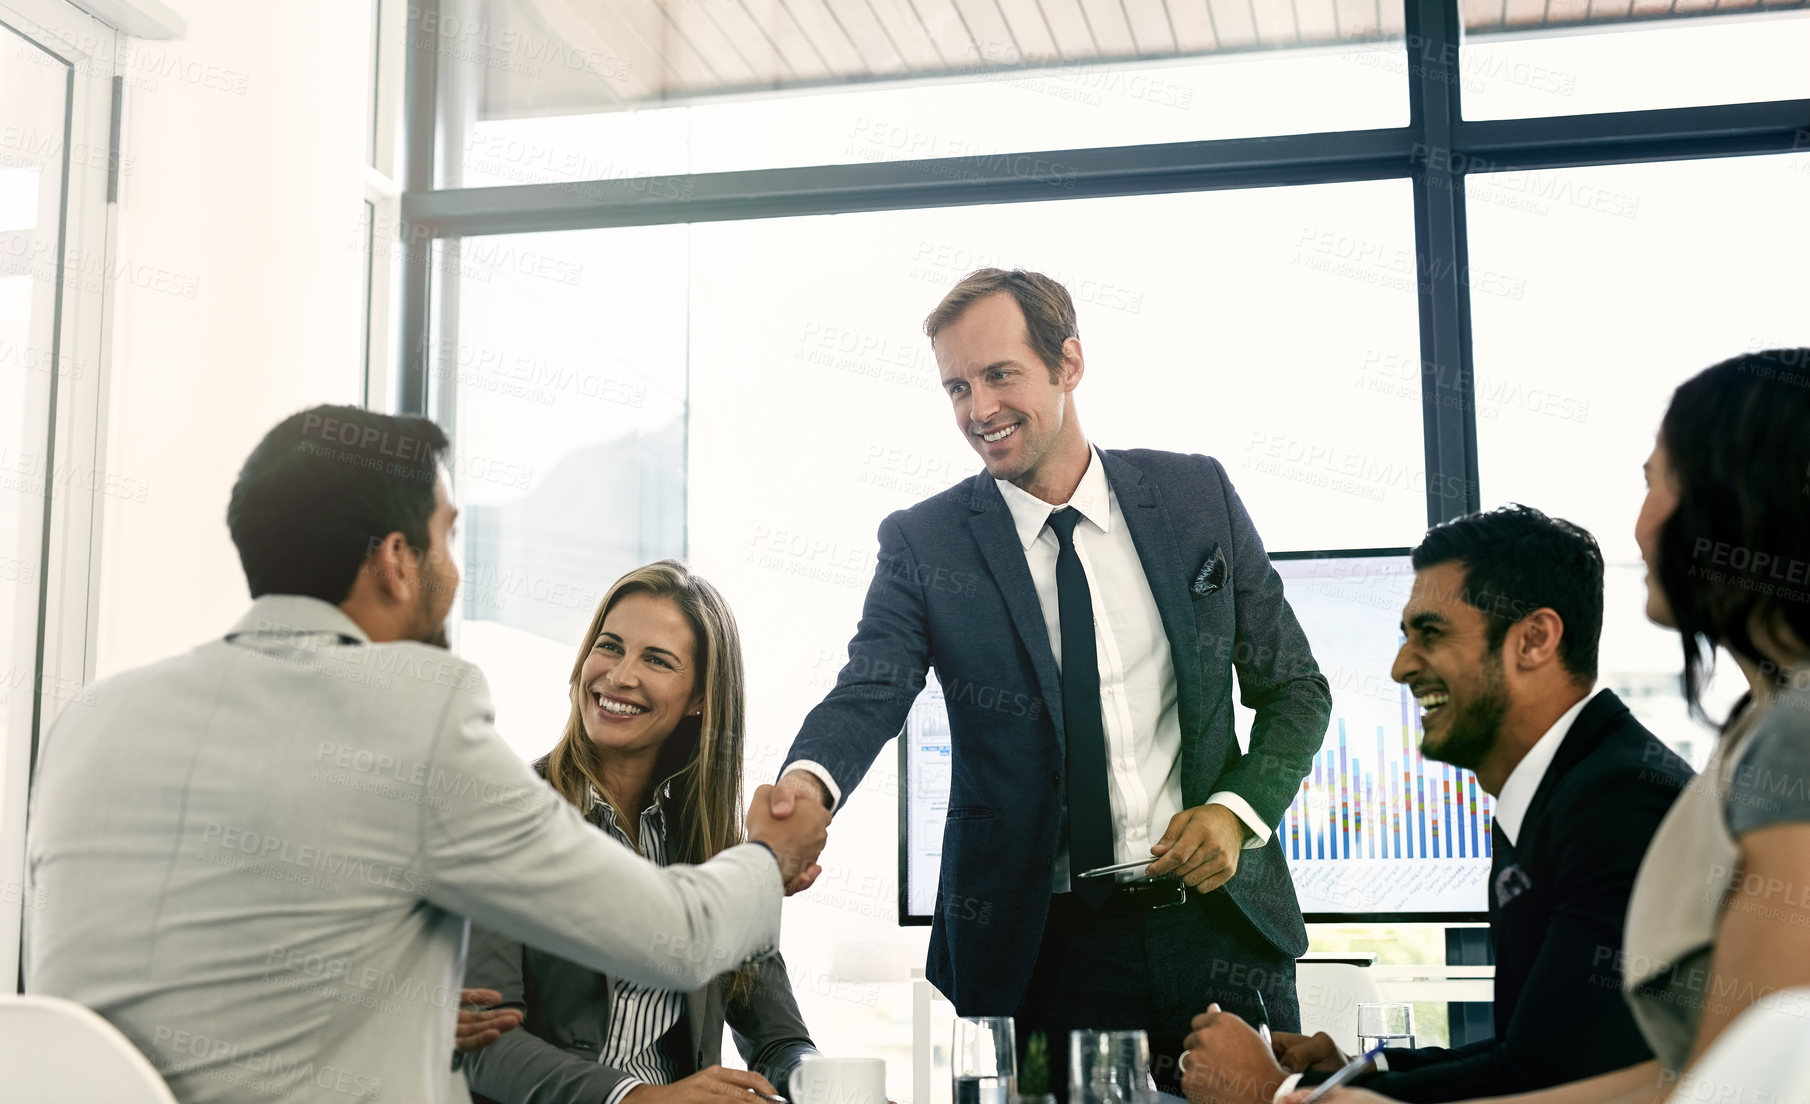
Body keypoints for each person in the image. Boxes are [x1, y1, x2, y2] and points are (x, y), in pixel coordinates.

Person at [23, 405, 828, 1104]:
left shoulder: (90, 717)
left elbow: (220, 963)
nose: (453, 568)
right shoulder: (413, 711)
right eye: (446, 537)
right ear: (396, 561)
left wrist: (414, 1001)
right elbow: (676, 935)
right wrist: (770, 854)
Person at [1195, 348, 1810, 1104]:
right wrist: (1355, 1075)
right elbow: (1622, 1066)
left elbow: (1742, 1082)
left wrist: (1282, 1099)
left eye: (1658, 485)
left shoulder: (1672, 780)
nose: (1643, 525)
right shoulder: (1742, 739)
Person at [776, 268, 1333, 1094]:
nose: (977, 410)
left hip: (1220, 929)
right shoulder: (926, 544)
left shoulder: (1193, 496)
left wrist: (1236, 810)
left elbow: (1296, 689)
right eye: (957, 387)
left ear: (1069, 363)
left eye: (1000, 375)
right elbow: (871, 688)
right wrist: (805, 789)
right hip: (1042, 952)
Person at [1178, 505, 1694, 1103]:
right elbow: (1538, 1053)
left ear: (1534, 639)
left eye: (1432, 633)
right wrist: (1360, 1072)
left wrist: (1277, 1092)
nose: (1400, 667)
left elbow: (1559, 1089)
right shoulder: (1567, 790)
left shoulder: (1618, 805)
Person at [463, 562, 817, 1104]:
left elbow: (779, 1040)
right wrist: (641, 1098)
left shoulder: (712, 848)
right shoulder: (503, 816)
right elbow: (484, 1045)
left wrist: (832, 1087)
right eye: (609, 647)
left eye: (656, 660)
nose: (620, 675)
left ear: (700, 697)